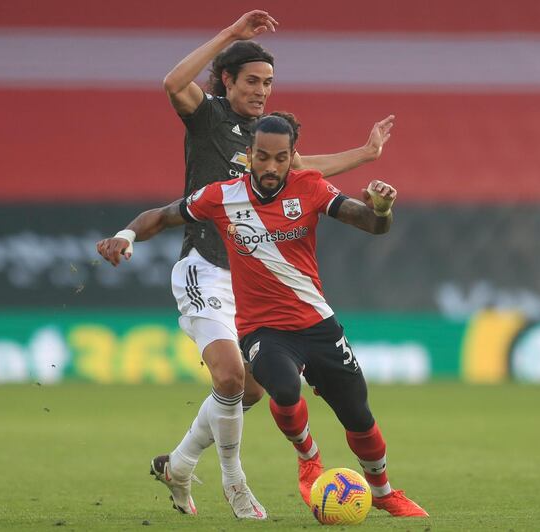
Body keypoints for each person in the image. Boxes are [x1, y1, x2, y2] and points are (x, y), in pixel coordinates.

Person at [97, 115, 428, 518]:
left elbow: (371, 224)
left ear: (293, 158)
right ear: (249, 155)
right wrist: (127, 235)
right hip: (263, 330)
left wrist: (383, 208)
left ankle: (382, 490)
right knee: (284, 389)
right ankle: (309, 458)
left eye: (281, 158)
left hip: (317, 322)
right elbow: (165, 215)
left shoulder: (310, 188)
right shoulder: (221, 196)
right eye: (264, 157)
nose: (272, 167)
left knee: (358, 414)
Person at [136, 9, 395, 519]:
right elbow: (173, 82)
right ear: (228, 79)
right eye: (253, 80)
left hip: (251, 282)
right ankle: (236, 485)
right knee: (231, 379)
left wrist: (365, 154)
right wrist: (233, 34)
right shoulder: (208, 115)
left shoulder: (265, 141)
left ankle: (181, 463)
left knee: (250, 389)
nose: (262, 90)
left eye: (269, 82)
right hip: (204, 262)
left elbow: (305, 168)